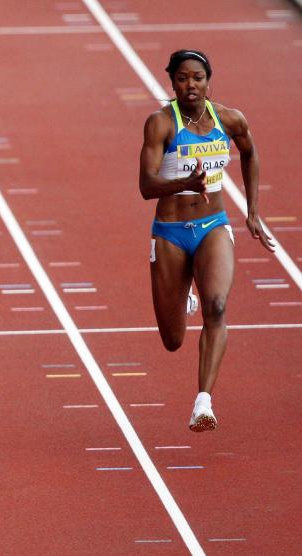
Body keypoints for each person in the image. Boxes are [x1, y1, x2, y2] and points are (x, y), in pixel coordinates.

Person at [139, 50, 275, 432]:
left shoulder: (230, 119)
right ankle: (185, 295)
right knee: (172, 339)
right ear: (172, 83)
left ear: (208, 80)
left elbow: (250, 153)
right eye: (182, 78)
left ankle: (203, 402)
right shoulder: (160, 124)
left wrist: (252, 211)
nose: (190, 85)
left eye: (197, 77)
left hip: (214, 224)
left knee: (216, 306)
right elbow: (146, 186)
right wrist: (185, 183)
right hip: (170, 232)